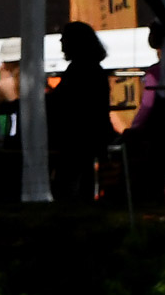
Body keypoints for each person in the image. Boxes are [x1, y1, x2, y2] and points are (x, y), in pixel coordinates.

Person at [45, 22, 115, 201]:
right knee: (85, 180)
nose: (60, 41)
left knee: (68, 183)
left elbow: (59, 101)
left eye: (64, 37)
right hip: (94, 135)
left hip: (77, 138)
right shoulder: (94, 69)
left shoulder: (78, 70)